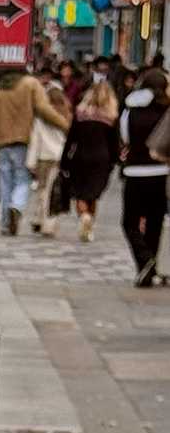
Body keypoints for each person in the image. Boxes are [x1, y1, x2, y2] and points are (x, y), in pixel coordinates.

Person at [0, 64, 71, 234]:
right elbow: (43, 108)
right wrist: (65, 125)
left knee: (4, 182)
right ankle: (16, 206)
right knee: (23, 179)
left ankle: (6, 222)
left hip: (1, 141)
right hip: (23, 139)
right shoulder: (30, 84)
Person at [120, 67, 170, 286]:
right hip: (161, 172)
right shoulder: (166, 109)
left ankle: (144, 260)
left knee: (129, 222)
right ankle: (150, 265)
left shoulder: (130, 109)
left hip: (135, 171)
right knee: (155, 221)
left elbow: (125, 137)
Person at [60, 76, 120, 241]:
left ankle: (84, 217)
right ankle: (90, 222)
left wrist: (64, 161)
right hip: (101, 159)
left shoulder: (80, 114)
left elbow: (71, 140)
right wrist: (114, 161)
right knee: (93, 194)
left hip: (80, 157)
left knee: (80, 193)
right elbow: (114, 144)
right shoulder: (110, 117)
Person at [28, 83, 70, 234]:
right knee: (55, 191)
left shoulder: (41, 118)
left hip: (44, 157)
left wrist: (30, 162)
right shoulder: (67, 117)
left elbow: (35, 139)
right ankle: (47, 220)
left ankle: (44, 221)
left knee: (44, 191)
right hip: (60, 157)